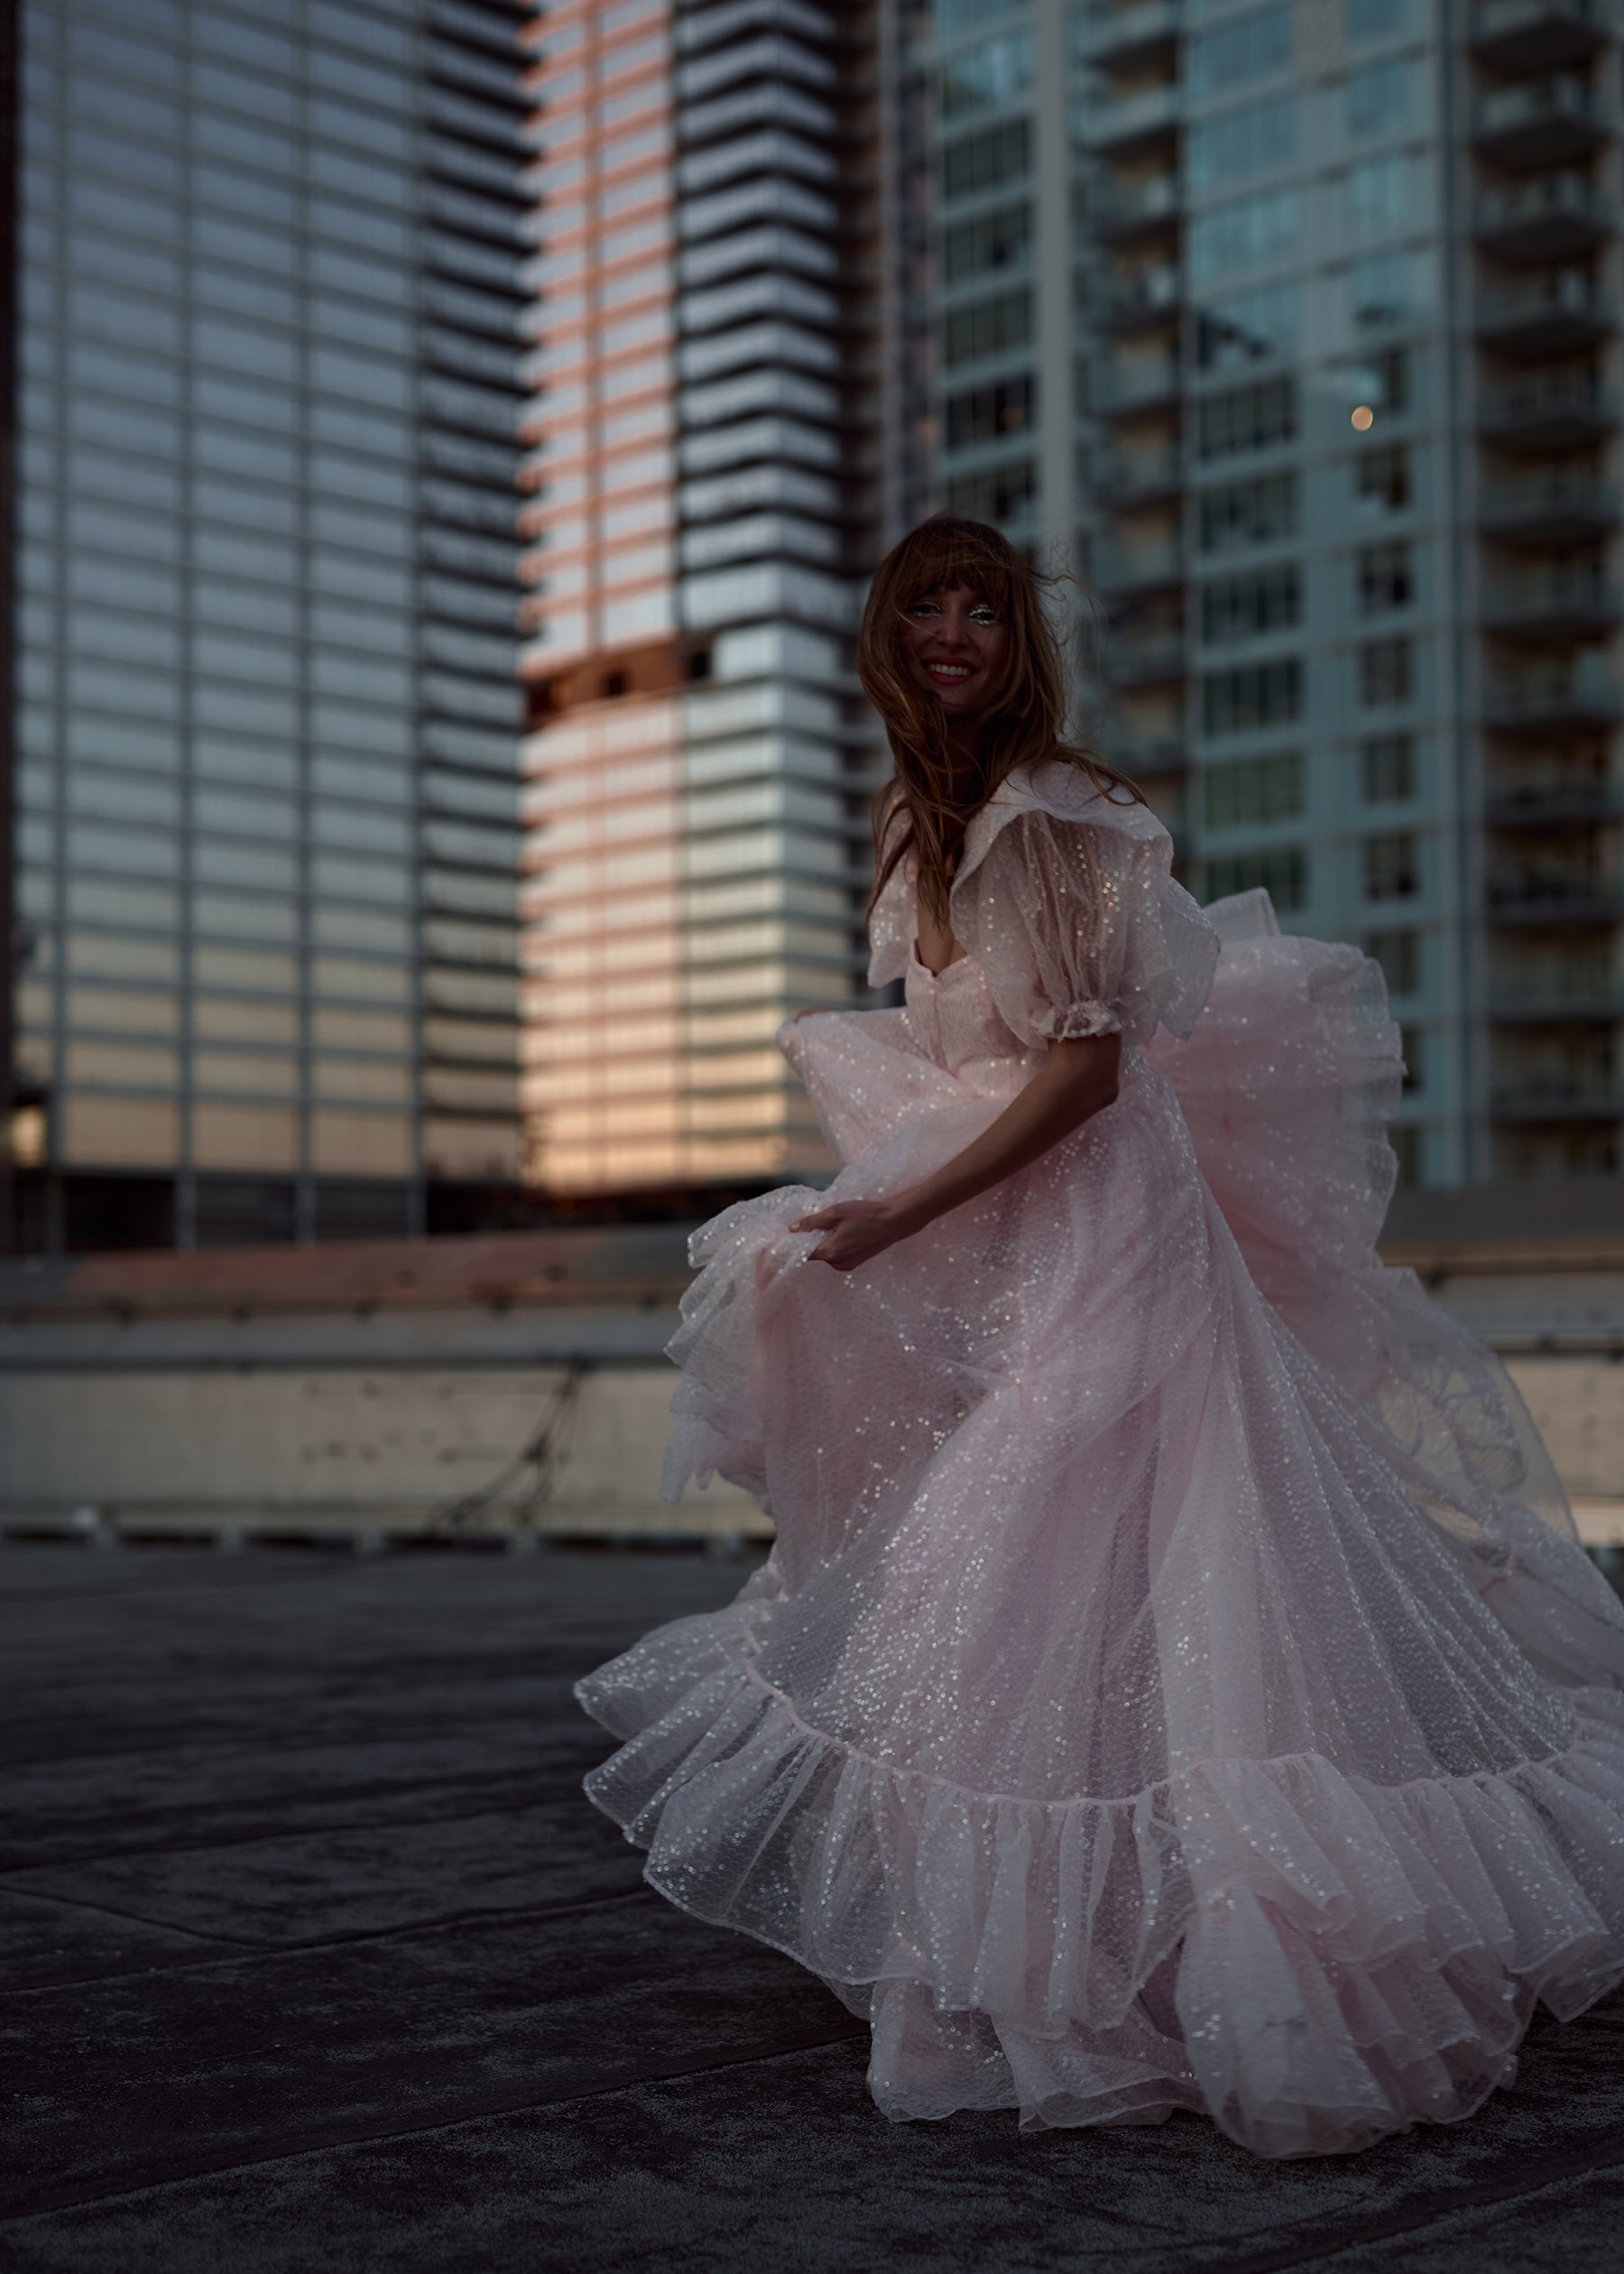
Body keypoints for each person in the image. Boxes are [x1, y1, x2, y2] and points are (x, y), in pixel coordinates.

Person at [577, 515, 1624, 2158]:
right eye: (923, 605)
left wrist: (898, 1217)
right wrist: (885, 1207)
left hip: (1108, 1223)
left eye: (981, 609)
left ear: (1020, 638)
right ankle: (1054, 1937)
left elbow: (1081, 1072)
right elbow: (968, 1069)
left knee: (1056, 1547)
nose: (951, 632)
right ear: (883, 635)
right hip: (1019, 1231)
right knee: (1058, 1568)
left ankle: (1208, 1937)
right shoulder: (914, 827)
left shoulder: (1055, 819)